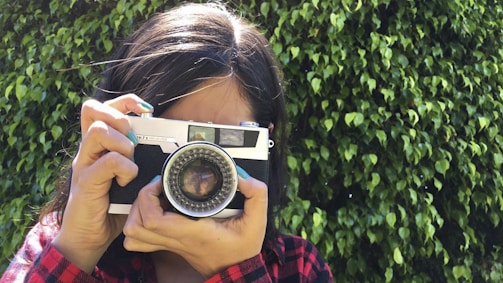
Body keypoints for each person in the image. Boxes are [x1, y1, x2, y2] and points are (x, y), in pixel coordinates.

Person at [1, 2, 334, 282]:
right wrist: (80, 247)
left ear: (264, 142)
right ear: (119, 132)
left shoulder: (296, 267)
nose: (195, 167)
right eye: (170, 139)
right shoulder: (60, 243)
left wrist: (235, 271)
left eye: (219, 143)